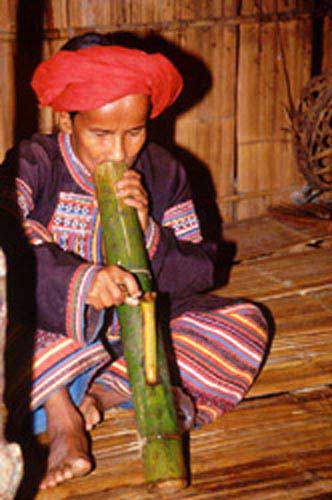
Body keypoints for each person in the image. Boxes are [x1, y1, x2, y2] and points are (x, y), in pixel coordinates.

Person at [0, 32, 268, 490]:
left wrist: (148, 233)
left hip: (127, 343)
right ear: (66, 120)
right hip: (46, 335)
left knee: (246, 324)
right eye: (101, 134)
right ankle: (64, 419)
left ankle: (100, 399)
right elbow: (5, 234)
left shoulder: (165, 171)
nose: (120, 152)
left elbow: (201, 269)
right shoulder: (36, 162)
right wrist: (81, 283)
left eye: (135, 132)